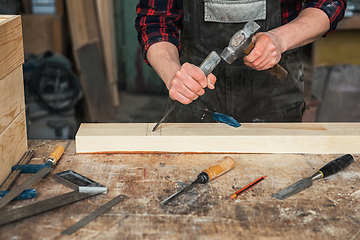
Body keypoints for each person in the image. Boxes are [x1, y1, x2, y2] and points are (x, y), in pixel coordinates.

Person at [135, 0, 346, 123]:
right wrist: (173, 72)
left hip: (275, 93)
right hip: (197, 86)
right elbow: (154, 20)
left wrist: (281, 39)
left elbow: (329, 4)